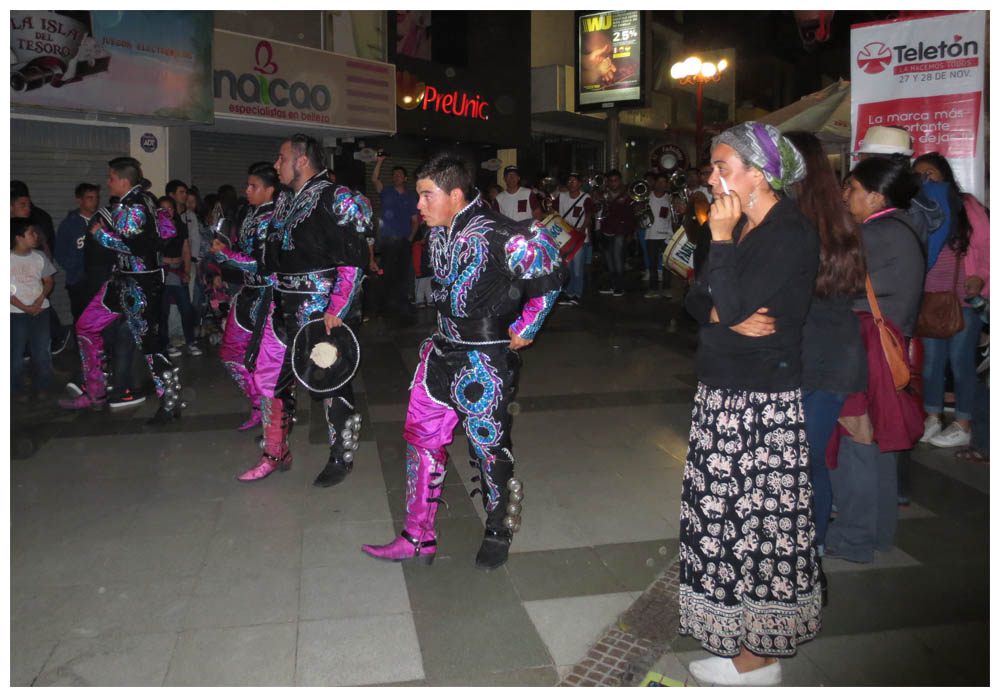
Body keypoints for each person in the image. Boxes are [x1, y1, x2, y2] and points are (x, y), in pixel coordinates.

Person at [362, 153, 566, 570]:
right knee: (420, 439)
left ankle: (497, 529)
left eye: (425, 195)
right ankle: (418, 534)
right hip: (439, 351)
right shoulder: (440, 230)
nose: (418, 205)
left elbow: (550, 269)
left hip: (484, 360)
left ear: (454, 195)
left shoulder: (497, 231)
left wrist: (528, 325)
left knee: (489, 446)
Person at [680, 122, 820, 686]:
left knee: (757, 525)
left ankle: (757, 657)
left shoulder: (785, 231)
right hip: (726, 388)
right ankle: (739, 639)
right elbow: (697, 298)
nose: (712, 178)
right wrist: (720, 310)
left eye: (722, 167)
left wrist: (719, 251)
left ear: (759, 175)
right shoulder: (741, 227)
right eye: (712, 167)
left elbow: (732, 299)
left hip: (757, 402)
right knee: (723, 520)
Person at [237, 134, 372, 487]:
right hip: (281, 304)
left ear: (302, 161)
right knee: (269, 379)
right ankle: (275, 451)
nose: (276, 164)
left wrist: (337, 308)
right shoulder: (284, 200)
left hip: (321, 309)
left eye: (282, 158)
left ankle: (341, 455)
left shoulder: (336, 197)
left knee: (329, 383)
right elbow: (273, 254)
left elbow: (353, 261)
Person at [824, 156, 925, 564]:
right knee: (879, 445)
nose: (845, 196)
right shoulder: (904, 225)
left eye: (851, 188)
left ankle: (854, 537)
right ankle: (879, 533)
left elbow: (834, 287)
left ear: (876, 195)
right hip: (885, 348)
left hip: (862, 348)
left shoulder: (876, 234)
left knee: (857, 443)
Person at [784, 130, 868, 606]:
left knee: (796, 463)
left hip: (800, 357)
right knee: (810, 461)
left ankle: (800, 561)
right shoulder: (841, 222)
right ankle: (808, 552)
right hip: (831, 358)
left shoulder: (791, 224)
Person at [58, 156, 184, 424]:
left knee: (149, 345)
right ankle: (95, 391)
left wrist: (99, 235)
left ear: (124, 181)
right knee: (86, 326)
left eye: (111, 178)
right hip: (123, 280)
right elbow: (161, 233)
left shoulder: (137, 204)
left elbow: (138, 246)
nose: (108, 182)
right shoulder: (137, 202)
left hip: (141, 284)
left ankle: (170, 402)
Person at [912, 152, 989, 448]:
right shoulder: (916, 208)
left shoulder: (965, 205)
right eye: (919, 175)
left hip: (962, 302)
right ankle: (932, 418)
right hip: (930, 301)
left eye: (930, 173)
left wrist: (980, 277)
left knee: (961, 363)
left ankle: (963, 423)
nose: (925, 180)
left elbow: (988, 245)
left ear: (944, 174)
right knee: (932, 364)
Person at [210, 163, 280, 431]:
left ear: (269, 189)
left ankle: (274, 419)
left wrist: (228, 256)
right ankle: (258, 405)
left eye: (254, 186)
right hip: (247, 295)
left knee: (268, 365)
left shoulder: (277, 219)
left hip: (271, 299)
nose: (247, 190)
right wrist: (225, 250)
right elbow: (243, 253)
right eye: (248, 185)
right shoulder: (249, 214)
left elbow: (266, 265)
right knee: (230, 353)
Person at [11, 218, 55, 400]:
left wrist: (39, 300)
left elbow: (48, 281)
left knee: (41, 351)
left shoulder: (39, 256)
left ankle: (42, 386)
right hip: (14, 313)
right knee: (15, 353)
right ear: (19, 237)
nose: (36, 236)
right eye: (31, 233)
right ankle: (15, 390)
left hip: (40, 310)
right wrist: (25, 307)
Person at [371, 155, 419, 319]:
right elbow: (375, 179)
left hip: (404, 241)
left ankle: (401, 305)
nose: (396, 177)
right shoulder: (387, 191)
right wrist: (379, 162)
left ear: (405, 178)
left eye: (399, 175)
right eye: (394, 174)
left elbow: (415, 221)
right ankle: (384, 306)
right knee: (387, 273)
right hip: (388, 240)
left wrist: (410, 238)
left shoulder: (411, 197)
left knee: (403, 274)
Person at [157, 196, 201, 358]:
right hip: (163, 272)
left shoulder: (180, 226)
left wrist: (187, 271)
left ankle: (190, 341)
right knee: (164, 311)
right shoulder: (155, 228)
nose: (167, 212)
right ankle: (165, 343)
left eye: (170, 208)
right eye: (163, 209)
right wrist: (164, 261)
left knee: (186, 308)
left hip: (178, 270)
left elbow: (186, 249)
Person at [55, 183, 100, 322]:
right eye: (89, 198)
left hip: (99, 280)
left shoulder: (102, 221)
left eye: (96, 198)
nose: (94, 202)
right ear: (79, 200)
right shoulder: (70, 224)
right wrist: (76, 270)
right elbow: (60, 253)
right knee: (81, 319)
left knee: (99, 320)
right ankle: (80, 344)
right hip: (79, 282)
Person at [556, 172, 593, 306]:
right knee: (568, 267)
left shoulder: (585, 198)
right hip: (565, 237)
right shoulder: (562, 197)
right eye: (569, 181)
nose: (571, 183)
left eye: (574, 181)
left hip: (578, 237)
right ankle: (569, 292)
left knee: (577, 268)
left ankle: (577, 293)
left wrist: (583, 228)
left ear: (579, 183)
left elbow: (589, 214)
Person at [598, 169, 635, 297]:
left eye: (616, 180)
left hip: (621, 230)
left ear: (620, 181)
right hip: (606, 230)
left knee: (618, 258)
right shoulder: (604, 194)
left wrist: (630, 233)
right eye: (611, 181)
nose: (614, 183)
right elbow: (597, 210)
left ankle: (619, 286)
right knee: (609, 260)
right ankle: (613, 284)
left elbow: (631, 215)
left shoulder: (627, 196)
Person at [644, 172, 674, 299]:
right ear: (655, 183)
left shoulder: (670, 198)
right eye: (659, 182)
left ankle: (667, 289)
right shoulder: (646, 197)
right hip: (651, 235)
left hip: (667, 235)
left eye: (664, 182)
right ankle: (653, 289)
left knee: (667, 265)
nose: (661, 185)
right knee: (652, 264)